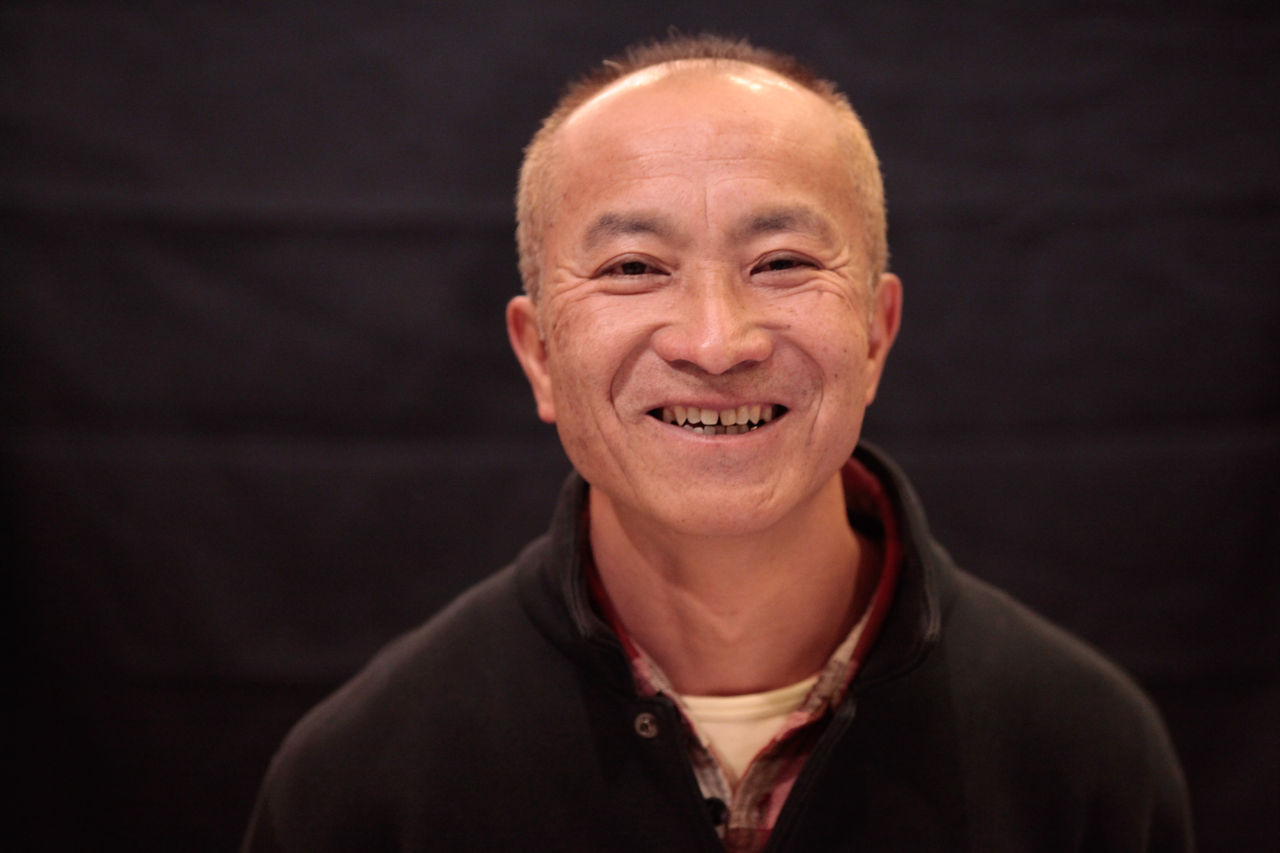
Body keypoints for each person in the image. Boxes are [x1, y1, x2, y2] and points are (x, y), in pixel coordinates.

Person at [242, 34, 1193, 852]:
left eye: (780, 262)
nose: (715, 341)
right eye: (633, 267)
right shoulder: (365, 783)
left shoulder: (1082, 754)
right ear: (539, 355)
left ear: (875, 334)